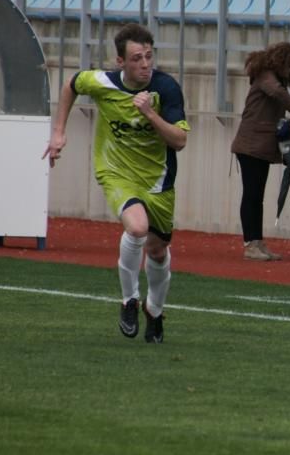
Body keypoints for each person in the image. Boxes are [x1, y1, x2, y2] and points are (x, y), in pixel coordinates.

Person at [43, 23, 190, 344]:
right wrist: (59, 132)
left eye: (149, 56)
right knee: (137, 228)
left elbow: (179, 141)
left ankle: (154, 310)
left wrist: (151, 115)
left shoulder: (166, 89)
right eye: (137, 58)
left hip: (157, 180)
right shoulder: (102, 81)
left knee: (158, 251)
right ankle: (129, 300)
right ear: (120, 62)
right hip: (115, 171)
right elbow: (71, 84)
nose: (145, 64)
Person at [230, 44, 290, 261]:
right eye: (289, 67)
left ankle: (257, 241)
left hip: (258, 146)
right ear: (281, 61)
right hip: (250, 146)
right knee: (252, 194)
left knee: (257, 196)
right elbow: (278, 93)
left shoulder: (267, 75)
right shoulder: (266, 76)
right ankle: (250, 243)